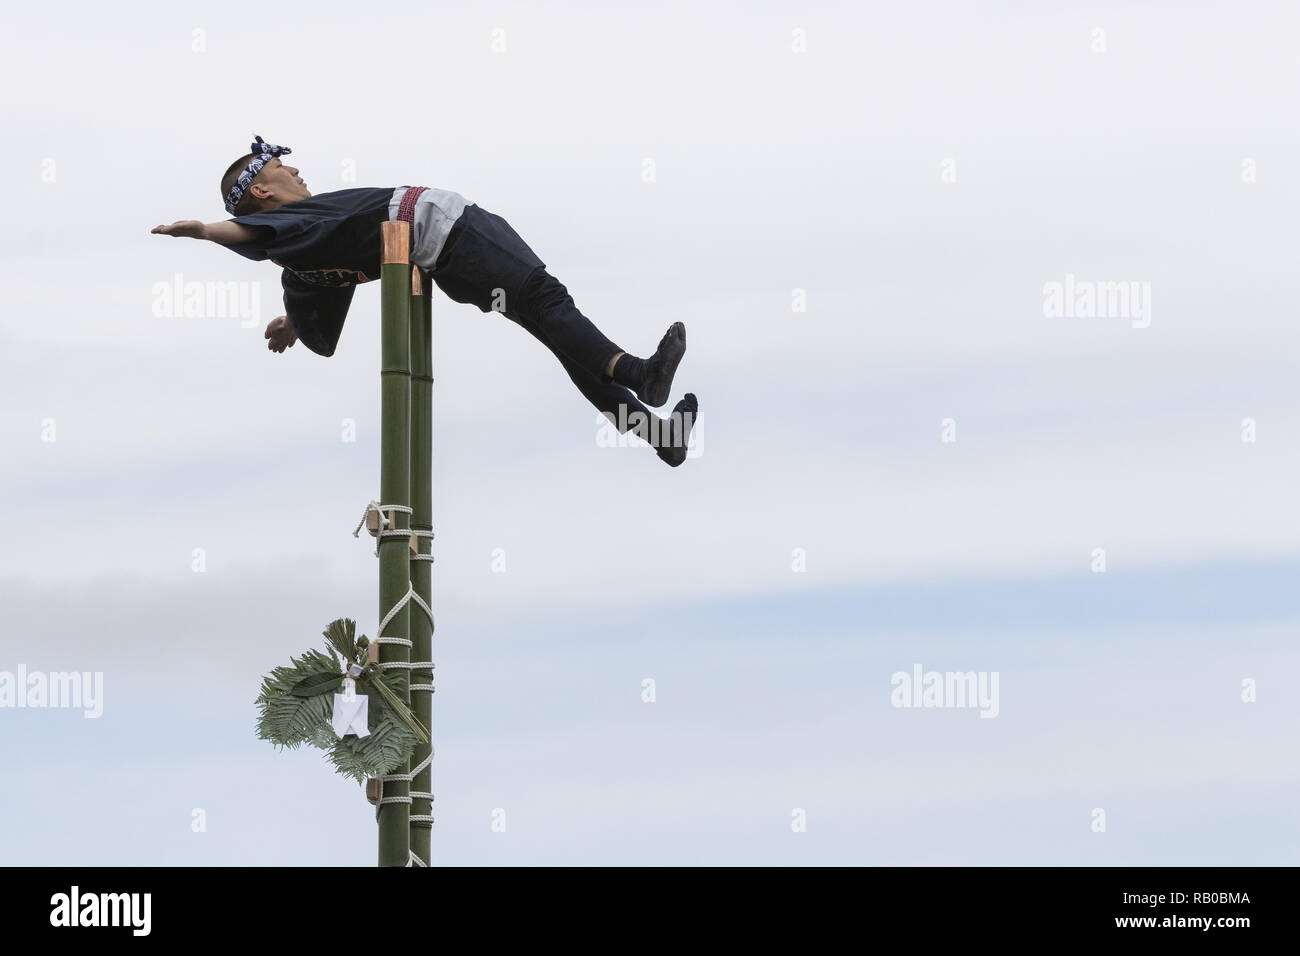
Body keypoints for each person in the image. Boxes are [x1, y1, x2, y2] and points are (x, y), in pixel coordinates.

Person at [152, 136, 697, 466]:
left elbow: (332, 273)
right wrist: (204, 231)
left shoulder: (300, 241)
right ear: (262, 191)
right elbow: (247, 234)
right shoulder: (282, 226)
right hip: (455, 236)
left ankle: (657, 435)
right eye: (280, 168)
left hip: (446, 253)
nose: (295, 168)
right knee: (548, 300)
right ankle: (640, 374)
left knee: (562, 337)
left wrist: (297, 324)